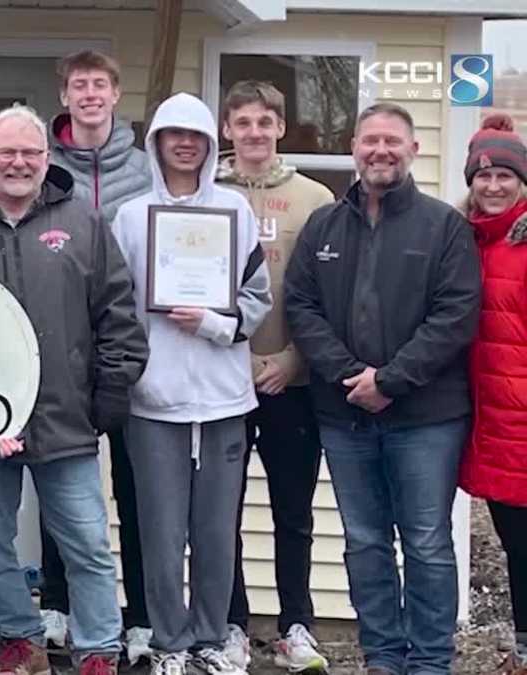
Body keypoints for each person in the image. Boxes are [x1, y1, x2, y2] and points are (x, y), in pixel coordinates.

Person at [0, 104, 149, 675]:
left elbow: (118, 313)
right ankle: (21, 640)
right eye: (6, 153)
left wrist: (110, 393)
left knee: (86, 544)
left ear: (46, 158)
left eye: (30, 152)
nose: (19, 163)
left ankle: (96, 650)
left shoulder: (84, 223)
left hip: (66, 418)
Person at [285, 102, 481, 675]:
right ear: (354, 149)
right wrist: (353, 377)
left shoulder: (443, 226)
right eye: (370, 141)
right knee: (364, 543)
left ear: (413, 150)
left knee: (425, 542)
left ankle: (429, 661)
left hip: (426, 418)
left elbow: (455, 315)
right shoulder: (323, 224)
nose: (381, 151)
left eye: (393, 141)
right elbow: (301, 304)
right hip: (345, 415)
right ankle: (383, 657)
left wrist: (390, 381)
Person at [111, 92, 271, 675]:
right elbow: (115, 305)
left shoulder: (234, 210)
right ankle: (169, 642)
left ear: (209, 143)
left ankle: (210, 636)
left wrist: (212, 323)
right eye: (172, 134)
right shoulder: (130, 217)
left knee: (214, 527)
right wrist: (131, 367)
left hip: (225, 395)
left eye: (196, 135)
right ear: (155, 144)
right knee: (158, 527)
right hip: (153, 398)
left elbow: (257, 297)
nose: (185, 144)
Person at [215, 80, 334, 672]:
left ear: (280, 128)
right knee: (222, 512)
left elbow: (326, 294)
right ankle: (232, 624)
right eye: (242, 123)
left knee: (294, 511)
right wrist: (233, 356)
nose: (254, 133)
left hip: (294, 381)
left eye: (265, 122)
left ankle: (296, 626)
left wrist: (294, 360)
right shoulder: (208, 193)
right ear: (227, 130)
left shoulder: (315, 199)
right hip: (222, 381)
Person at [41, 48, 153, 664]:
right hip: (61, 348)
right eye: (78, 85)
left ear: (115, 94)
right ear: (65, 96)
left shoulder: (146, 167)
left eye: (100, 84)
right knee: (61, 477)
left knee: (135, 488)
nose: (89, 94)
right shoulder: (43, 164)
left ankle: (138, 614)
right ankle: (55, 604)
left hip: (130, 347)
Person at [454, 114, 527, 675]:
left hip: (520, 422)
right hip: (493, 424)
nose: (494, 186)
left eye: (505, 175)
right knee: (516, 548)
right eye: (483, 176)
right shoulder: (468, 240)